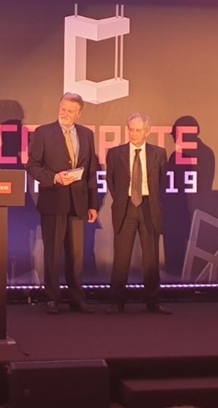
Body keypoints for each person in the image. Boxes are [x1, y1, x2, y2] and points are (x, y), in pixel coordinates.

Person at [26, 92, 98, 314]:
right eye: (62, 109)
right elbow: (33, 166)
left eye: (70, 111)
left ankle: (76, 297)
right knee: (53, 253)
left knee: (76, 256)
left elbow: (91, 172)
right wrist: (54, 178)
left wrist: (92, 204)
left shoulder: (86, 134)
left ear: (79, 113)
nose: (64, 113)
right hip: (53, 201)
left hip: (78, 203)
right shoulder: (43, 133)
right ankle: (52, 298)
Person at [105, 113, 170, 315]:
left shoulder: (159, 153)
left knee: (151, 258)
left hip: (149, 207)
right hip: (125, 207)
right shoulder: (115, 153)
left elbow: (161, 181)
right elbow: (111, 181)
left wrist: (147, 197)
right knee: (121, 258)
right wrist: (123, 200)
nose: (134, 134)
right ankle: (116, 302)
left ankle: (153, 302)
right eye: (131, 129)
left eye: (138, 130)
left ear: (147, 132)